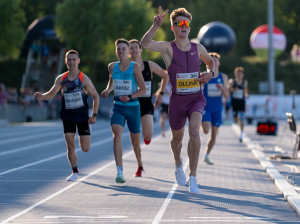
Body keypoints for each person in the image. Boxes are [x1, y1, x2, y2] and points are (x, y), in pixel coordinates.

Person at [141, 7, 214, 194]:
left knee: (195, 132)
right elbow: (145, 43)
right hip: (177, 101)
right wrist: (155, 26)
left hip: (196, 98)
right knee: (177, 139)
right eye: (179, 23)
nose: (183, 26)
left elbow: (210, 62)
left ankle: (194, 177)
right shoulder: (167, 48)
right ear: (173, 27)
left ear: (189, 27)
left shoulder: (198, 48)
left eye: (186, 23)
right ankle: (178, 164)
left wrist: (210, 73)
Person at [34, 50, 100, 181]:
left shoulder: (84, 79)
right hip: (68, 116)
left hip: (82, 117)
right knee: (70, 144)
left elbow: (96, 96)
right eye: (69, 59)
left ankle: (88, 129)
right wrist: (41, 96)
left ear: (78, 61)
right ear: (66, 61)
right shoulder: (61, 79)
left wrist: (94, 115)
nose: (71, 62)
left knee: (85, 148)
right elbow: (52, 93)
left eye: (74, 59)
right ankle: (74, 171)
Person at [101, 38, 146, 183]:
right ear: (116, 52)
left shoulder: (135, 67)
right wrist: (107, 91)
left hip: (133, 107)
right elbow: (111, 83)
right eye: (118, 49)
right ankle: (119, 171)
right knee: (116, 134)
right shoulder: (111, 67)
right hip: (118, 107)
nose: (121, 51)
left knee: (135, 143)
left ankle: (139, 163)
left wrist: (130, 96)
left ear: (128, 52)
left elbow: (143, 89)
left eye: (123, 49)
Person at [129, 39, 169, 146]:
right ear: (128, 52)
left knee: (148, 135)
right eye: (131, 48)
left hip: (146, 104)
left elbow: (165, 76)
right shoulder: (125, 68)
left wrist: (161, 93)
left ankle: (145, 134)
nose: (134, 50)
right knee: (135, 138)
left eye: (136, 47)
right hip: (131, 104)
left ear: (141, 50)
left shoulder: (150, 66)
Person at [201, 52, 229, 165]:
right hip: (206, 107)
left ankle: (207, 155)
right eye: (211, 60)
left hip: (217, 108)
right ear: (208, 63)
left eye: (216, 60)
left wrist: (222, 89)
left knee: (213, 135)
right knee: (206, 131)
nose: (214, 62)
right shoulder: (204, 75)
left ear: (219, 62)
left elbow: (226, 96)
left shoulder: (224, 77)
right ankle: (200, 123)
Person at [228, 66, 248, 142]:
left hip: (241, 102)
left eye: (241, 73)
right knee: (236, 120)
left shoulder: (244, 82)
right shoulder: (232, 81)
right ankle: (238, 121)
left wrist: (246, 95)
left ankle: (241, 133)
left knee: (242, 118)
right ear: (236, 74)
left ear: (243, 74)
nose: (239, 75)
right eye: (238, 73)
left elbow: (245, 91)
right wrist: (233, 89)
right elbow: (229, 90)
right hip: (234, 102)